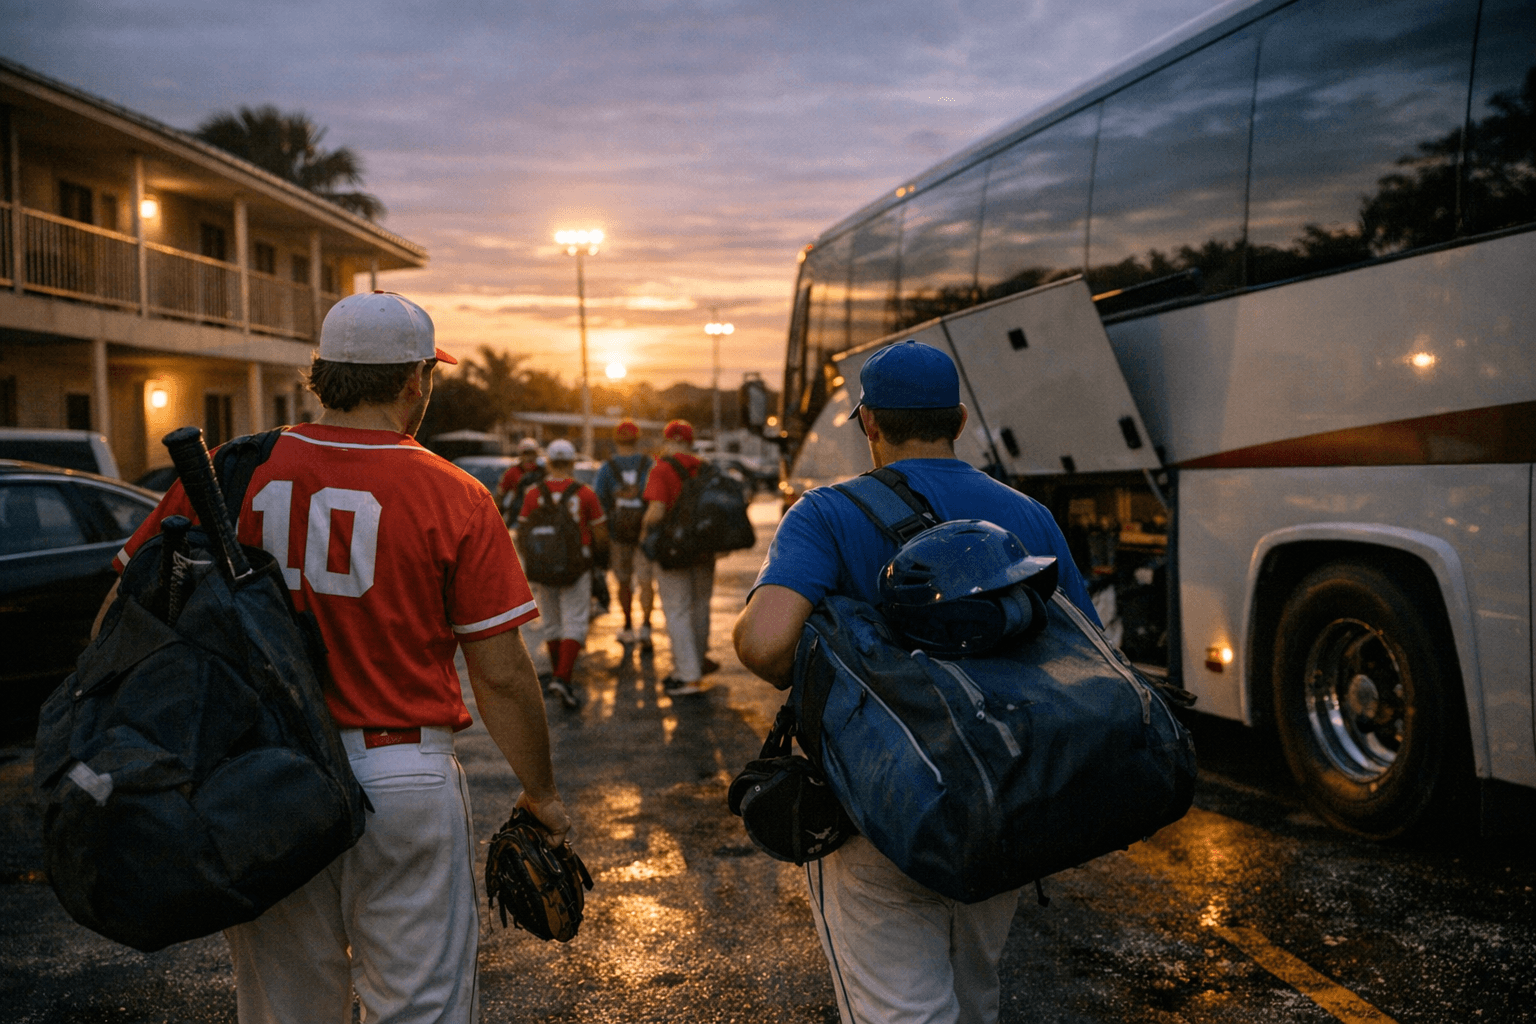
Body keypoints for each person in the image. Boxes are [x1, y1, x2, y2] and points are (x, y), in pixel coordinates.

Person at [109, 291, 570, 1024]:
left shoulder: (231, 470)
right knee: (422, 1010)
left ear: (320, 375)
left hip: (259, 776)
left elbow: (124, 609)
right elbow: (503, 672)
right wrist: (541, 793)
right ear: (415, 381)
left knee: (287, 1013)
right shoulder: (454, 491)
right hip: (399, 772)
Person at [732, 339, 1097, 1024]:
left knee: (899, 1012)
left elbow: (765, 645)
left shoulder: (826, 513)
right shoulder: (1027, 515)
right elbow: (1083, 649)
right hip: (1004, 798)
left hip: (880, 804)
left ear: (869, 422)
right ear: (958, 420)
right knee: (973, 1001)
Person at [516, 437, 608, 709]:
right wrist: (601, 562)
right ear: (571, 462)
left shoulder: (534, 492)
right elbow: (600, 532)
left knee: (553, 622)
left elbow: (522, 531)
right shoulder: (585, 493)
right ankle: (563, 677)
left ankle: (559, 674)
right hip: (576, 564)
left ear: (548, 462)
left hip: (543, 567)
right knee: (576, 621)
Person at [640, 419, 720, 696]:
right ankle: (696, 664)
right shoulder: (706, 467)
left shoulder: (662, 469)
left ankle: (687, 676)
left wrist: (643, 532)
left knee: (677, 610)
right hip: (705, 548)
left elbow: (657, 511)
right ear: (690, 440)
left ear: (668, 440)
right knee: (700, 607)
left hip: (673, 551)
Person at [592, 419, 656, 650]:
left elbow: (599, 502)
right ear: (637, 440)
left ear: (615, 441)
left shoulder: (607, 468)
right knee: (646, 581)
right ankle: (647, 626)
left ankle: (628, 627)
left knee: (623, 581)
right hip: (645, 532)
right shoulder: (649, 464)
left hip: (618, 534)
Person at [497, 436, 545, 525]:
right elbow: (501, 495)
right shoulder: (512, 472)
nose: (529, 457)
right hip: (517, 516)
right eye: (526, 453)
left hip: (539, 514)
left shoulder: (543, 473)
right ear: (521, 455)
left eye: (532, 453)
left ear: (537, 455)